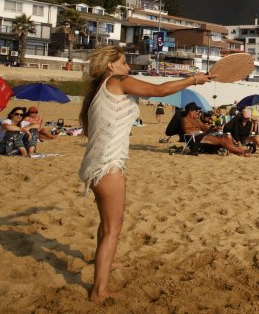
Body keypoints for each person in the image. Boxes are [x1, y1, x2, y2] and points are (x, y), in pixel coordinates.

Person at [77, 45, 214, 300]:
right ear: (111, 66)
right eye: (124, 62)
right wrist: (195, 79)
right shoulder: (117, 80)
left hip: (98, 163)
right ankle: (100, 290)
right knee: (113, 227)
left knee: (107, 224)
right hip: (108, 165)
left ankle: (106, 263)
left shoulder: (98, 88)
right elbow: (160, 90)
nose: (128, 67)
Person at [181, 103, 250, 156]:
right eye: (196, 110)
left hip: (201, 135)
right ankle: (241, 152)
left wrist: (212, 128)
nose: (197, 112)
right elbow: (187, 131)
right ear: (190, 111)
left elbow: (204, 128)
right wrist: (200, 130)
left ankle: (236, 151)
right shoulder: (185, 119)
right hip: (195, 138)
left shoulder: (197, 119)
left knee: (227, 139)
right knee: (221, 140)